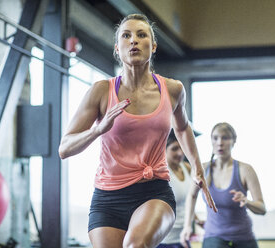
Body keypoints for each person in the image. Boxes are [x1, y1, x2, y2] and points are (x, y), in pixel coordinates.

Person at [58, 14, 216, 248]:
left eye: (141, 35)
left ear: (152, 46)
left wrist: (197, 168)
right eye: (126, 35)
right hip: (107, 197)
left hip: (154, 192)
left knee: (135, 245)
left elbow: (182, 127)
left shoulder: (172, 89)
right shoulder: (101, 91)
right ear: (117, 48)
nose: (134, 40)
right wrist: (98, 130)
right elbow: (64, 148)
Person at [181, 122, 266, 248]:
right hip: (214, 237)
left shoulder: (245, 170)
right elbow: (191, 196)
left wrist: (246, 201)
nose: (220, 142)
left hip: (243, 238)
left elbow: (262, 208)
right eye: (215, 138)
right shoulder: (203, 169)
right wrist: (187, 225)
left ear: (234, 141)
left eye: (225, 138)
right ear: (211, 141)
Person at [157, 130, 193, 248]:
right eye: (174, 149)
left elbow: (188, 199)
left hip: (184, 235)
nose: (180, 153)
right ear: (164, 149)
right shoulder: (160, 173)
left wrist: (195, 219)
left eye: (182, 147)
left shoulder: (186, 167)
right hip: (165, 239)